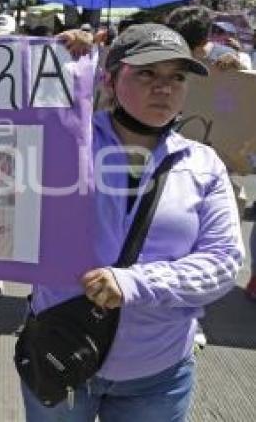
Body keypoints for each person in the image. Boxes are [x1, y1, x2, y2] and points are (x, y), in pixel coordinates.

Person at [22, 23, 243, 421]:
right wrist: (50, 62)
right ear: (109, 78)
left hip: (158, 375)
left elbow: (225, 261)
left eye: (177, 77)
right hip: (59, 352)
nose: (164, 87)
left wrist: (136, 283)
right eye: (146, 73)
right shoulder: (63, 141)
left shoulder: (203, 163)